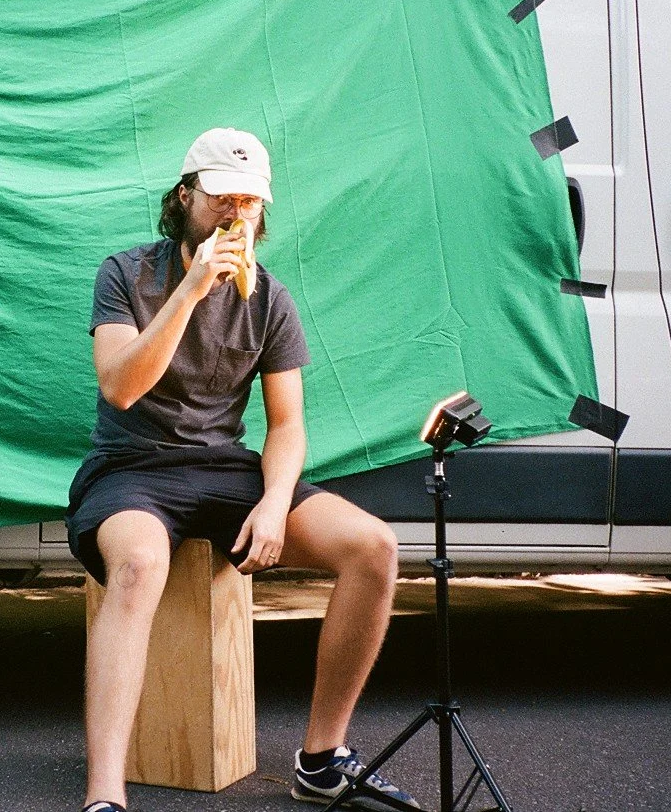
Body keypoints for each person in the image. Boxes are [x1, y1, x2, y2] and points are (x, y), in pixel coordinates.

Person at [67, 128, 421, 812]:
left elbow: (286, 425)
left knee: (374, 547)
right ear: (183, 197)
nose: (234, 215)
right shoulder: (126, 273)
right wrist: (191, 291)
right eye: (219, 198)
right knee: (140, 563)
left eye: (248, 203)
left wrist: (273, 499)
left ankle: (320, 759)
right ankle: (104, 795)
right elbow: (119, 385)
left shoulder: (271, 299)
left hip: (226, 470)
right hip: (130, 469)